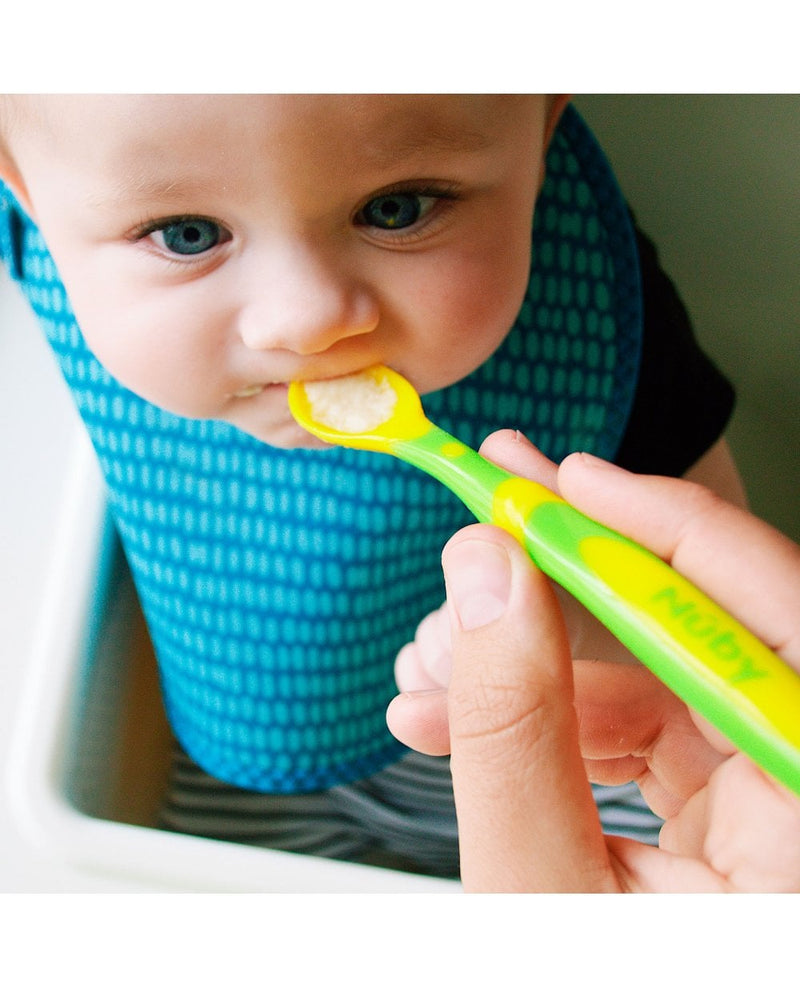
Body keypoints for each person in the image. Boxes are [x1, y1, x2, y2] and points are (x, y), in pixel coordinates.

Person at [0, 95, 745, 878]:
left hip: (600, 779)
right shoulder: (62, 181)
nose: (306, 319)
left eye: (397, 209)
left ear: (544, 120)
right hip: (261, 778)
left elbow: (716, 602)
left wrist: (584, 626)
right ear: (24, 189)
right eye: (187, 235)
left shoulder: (594, 322)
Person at [388, 430, 800, 891]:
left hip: (632, 807)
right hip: (367, 807)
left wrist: (589, 633)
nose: (305, 350)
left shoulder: (664, 402)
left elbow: (721, 609)